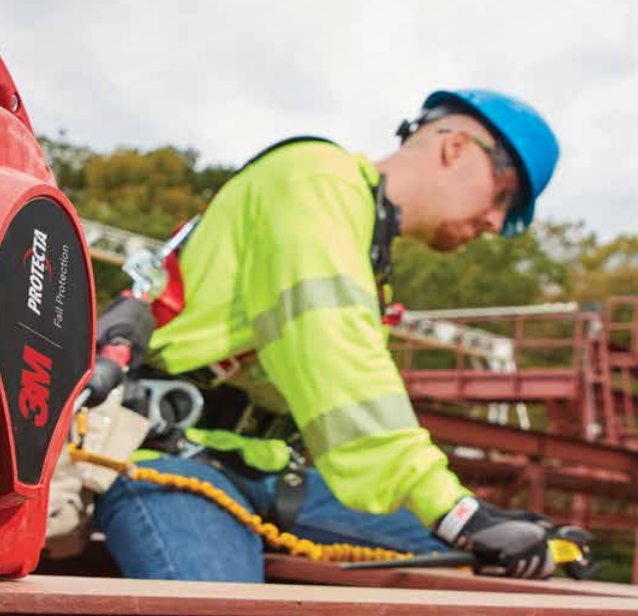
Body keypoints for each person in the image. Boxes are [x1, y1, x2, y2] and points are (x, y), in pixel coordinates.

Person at [92, 89, 562, 582]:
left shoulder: (359, 225)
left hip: (264, 466)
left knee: (487, 564)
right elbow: (335, 356)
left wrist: (500, 528)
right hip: (172, 459)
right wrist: (455, 512)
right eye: (504, 196)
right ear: (457, 148)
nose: (495, 222)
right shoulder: (316, 180)